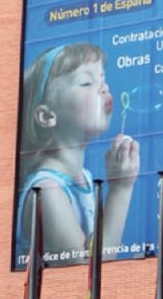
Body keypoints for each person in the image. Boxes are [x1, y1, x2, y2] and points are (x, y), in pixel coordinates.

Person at [15, 42, 140, 263]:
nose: (104, 88)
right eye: (86, 82)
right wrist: (120, 189)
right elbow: (87, 275)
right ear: (46, 116)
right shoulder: (46, 191)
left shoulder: (85, 178)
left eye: (102, 79)